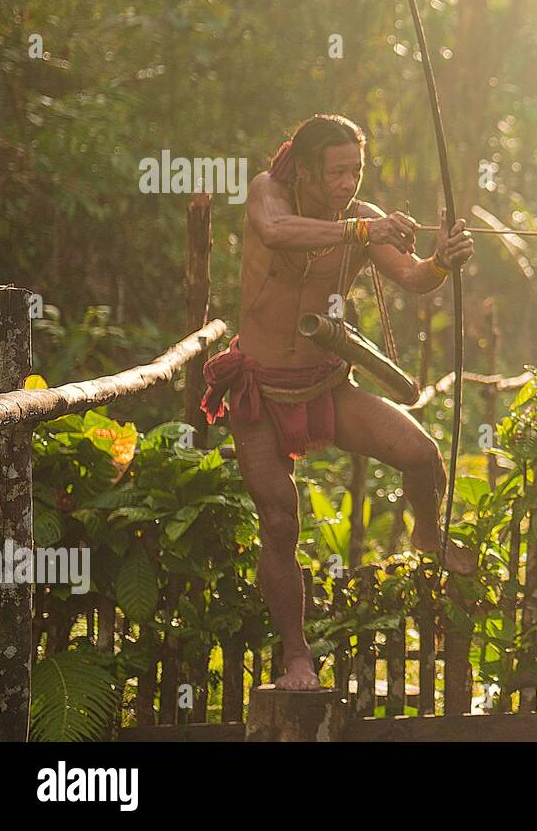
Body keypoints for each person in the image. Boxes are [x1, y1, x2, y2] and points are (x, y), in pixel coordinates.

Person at [200, 113, 474, 690]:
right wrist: (361, 234)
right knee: (280, 519)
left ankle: (427, 532)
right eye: (336, 173)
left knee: (422, 455)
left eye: (356, 171)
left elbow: (416, 277)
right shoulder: (267, 194)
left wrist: (444, 259)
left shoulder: (363, 221)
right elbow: (277, 232)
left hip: (326, 386)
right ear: (303, 170)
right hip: (259, 392)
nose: (348, 184)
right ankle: (296, 656)